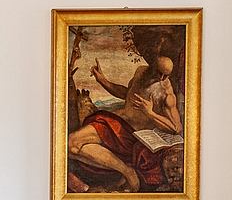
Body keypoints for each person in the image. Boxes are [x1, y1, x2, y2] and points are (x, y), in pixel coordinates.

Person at [67, 55, 182, 192]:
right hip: (116, 124)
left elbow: (176, 127)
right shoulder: (141, 72)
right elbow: (127, 94)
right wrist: (103, 81)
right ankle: (126, 170)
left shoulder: (167, 93)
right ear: (151, 66)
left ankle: (126, 172)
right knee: (69, 144)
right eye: (159, 73)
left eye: (166, 76)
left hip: (132, 136)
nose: (161, 78)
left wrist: (150, 113)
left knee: (72, 148)